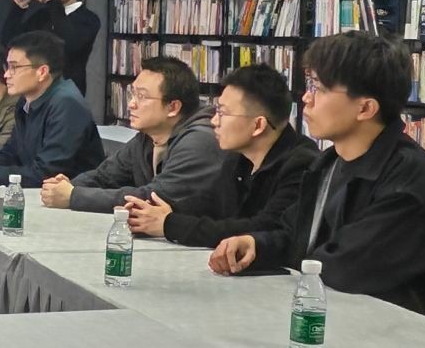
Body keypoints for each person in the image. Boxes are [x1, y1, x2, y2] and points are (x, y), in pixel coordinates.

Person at [209, 31, 425, 333]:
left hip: (423, 339)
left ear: (365, 108)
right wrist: (255, 244)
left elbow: (345, 266)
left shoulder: (408, 176)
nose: (306, 98)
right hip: (356, 325)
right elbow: (295, 236)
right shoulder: (328, 163)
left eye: (319, 88)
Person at [125, 61, 318, 248]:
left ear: (258, 125)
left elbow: (260, 229)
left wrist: (169, 224)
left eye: (223, 113)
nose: (214, 121)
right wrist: (156, 212)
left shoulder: (301, 165)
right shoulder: (238, 158)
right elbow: (208, 204)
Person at [39, 55, 221, 212]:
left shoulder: (200, 141)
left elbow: (154, 196)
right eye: (132, 94)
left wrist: (74, 196)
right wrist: (68, 186)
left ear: (173, 107)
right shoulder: (147, 136)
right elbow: (105, 176)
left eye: (142, 96)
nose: (131, 104)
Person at [0, 32, 104, 189]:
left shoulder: (67, 104)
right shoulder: (26, 100)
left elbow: (46, 173)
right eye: (7, 67)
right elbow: (11, 154)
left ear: (42, 72)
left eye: (14, 67)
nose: (6, 74)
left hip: (73, 197)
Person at [0, 0, 101, 96]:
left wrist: (53, 3)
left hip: (66, 95)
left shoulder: (88, 19)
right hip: (35, 93)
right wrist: (19, 8)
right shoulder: (42, 15)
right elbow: (10, 41)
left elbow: (69, 45)